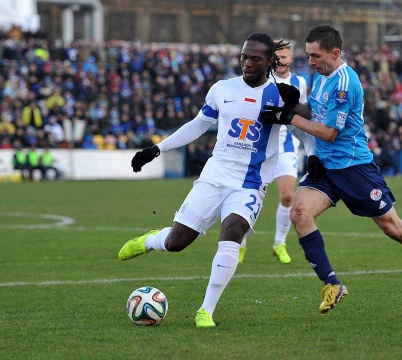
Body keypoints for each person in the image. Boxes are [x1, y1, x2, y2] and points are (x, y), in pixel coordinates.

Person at [260, 24, 402, 318]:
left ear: (335, 52)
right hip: (326, 167)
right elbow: (314, 114)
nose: (311, 62)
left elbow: (329, 132)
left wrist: (289, 117)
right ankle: (332, 284)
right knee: (299, 213)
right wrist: (292, 104)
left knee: (392, 227)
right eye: (308, 55)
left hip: (354, 167)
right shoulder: (321, 75)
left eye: (315, 56)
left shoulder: (345, 82)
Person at [117, 33, 315, 328]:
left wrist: (299, 114)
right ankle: (150, 240)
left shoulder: (281, 95)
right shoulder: (222, 89)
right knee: (176, 242)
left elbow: (306, 128)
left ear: (270, 62)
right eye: (244, 57)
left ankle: (205, 311)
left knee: (232, 233)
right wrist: (157, 148)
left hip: (250, 183)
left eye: (255, 58)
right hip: (215, 176)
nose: (247, 63)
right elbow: (198, 125)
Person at [239, 40, 308, 264]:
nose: (281, 61)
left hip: (287, 148)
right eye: (277, 57)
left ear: (291, 59)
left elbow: (303, 113)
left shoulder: (300, 82)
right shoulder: (262, 79)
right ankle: (239, 243)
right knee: (247, 198)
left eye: (285, 57)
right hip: (259, 147)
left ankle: (280, 243)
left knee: (288, 196)